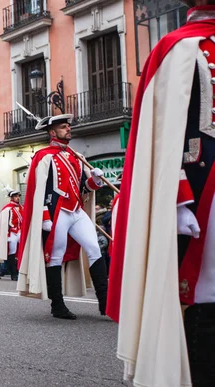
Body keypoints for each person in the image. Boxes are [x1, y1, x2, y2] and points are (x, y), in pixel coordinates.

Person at [107, 3, 215, 385]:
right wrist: (177, 196)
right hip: (202, 193)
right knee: (205, 289)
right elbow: (163, 139)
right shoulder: (178, 48)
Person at [17, 113, 108, 320]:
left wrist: (94, 180)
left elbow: (82, 189)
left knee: (94, 248)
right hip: (56, 212)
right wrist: (44, 216)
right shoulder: (44, 156)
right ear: (52, 132)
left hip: (76, 210)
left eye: (68, 126)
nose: (68, 129)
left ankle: (105, 301)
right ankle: (57, 305)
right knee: (55, 256)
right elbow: (39, 190)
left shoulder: (75, 156)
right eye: (64, 127)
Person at [0, 189, 23, 281]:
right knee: (12, 252)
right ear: (11, 197)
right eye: (15, 196)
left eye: (18, 196)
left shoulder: (22, 207)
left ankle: (20, 271)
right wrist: (6, 235)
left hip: (20, 231)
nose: (17, 198)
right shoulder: (7, 209)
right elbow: (4, 223)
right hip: (11, 232)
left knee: (22, 251)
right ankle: (13, 273)